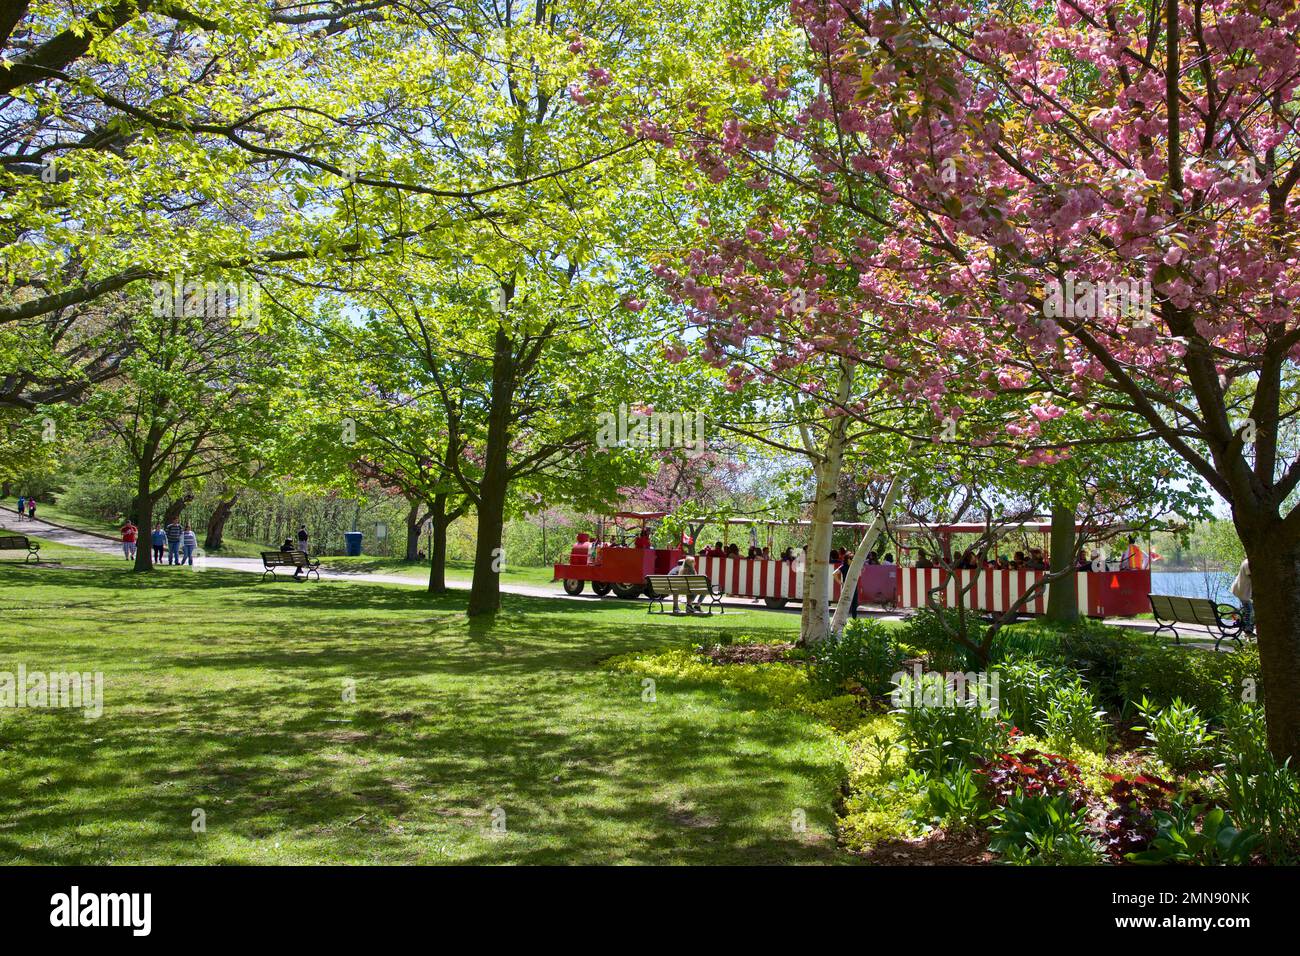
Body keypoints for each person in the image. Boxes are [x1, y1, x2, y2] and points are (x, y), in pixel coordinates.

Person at [1231, 559, 1254, 636]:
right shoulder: (1247, 563)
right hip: (1241, 590)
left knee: (1247, 608)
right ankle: (1247, 630)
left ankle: (1239, 619)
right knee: (1249, 609)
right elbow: (1251, 576)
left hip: (1241, 589)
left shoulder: (1246, 561)